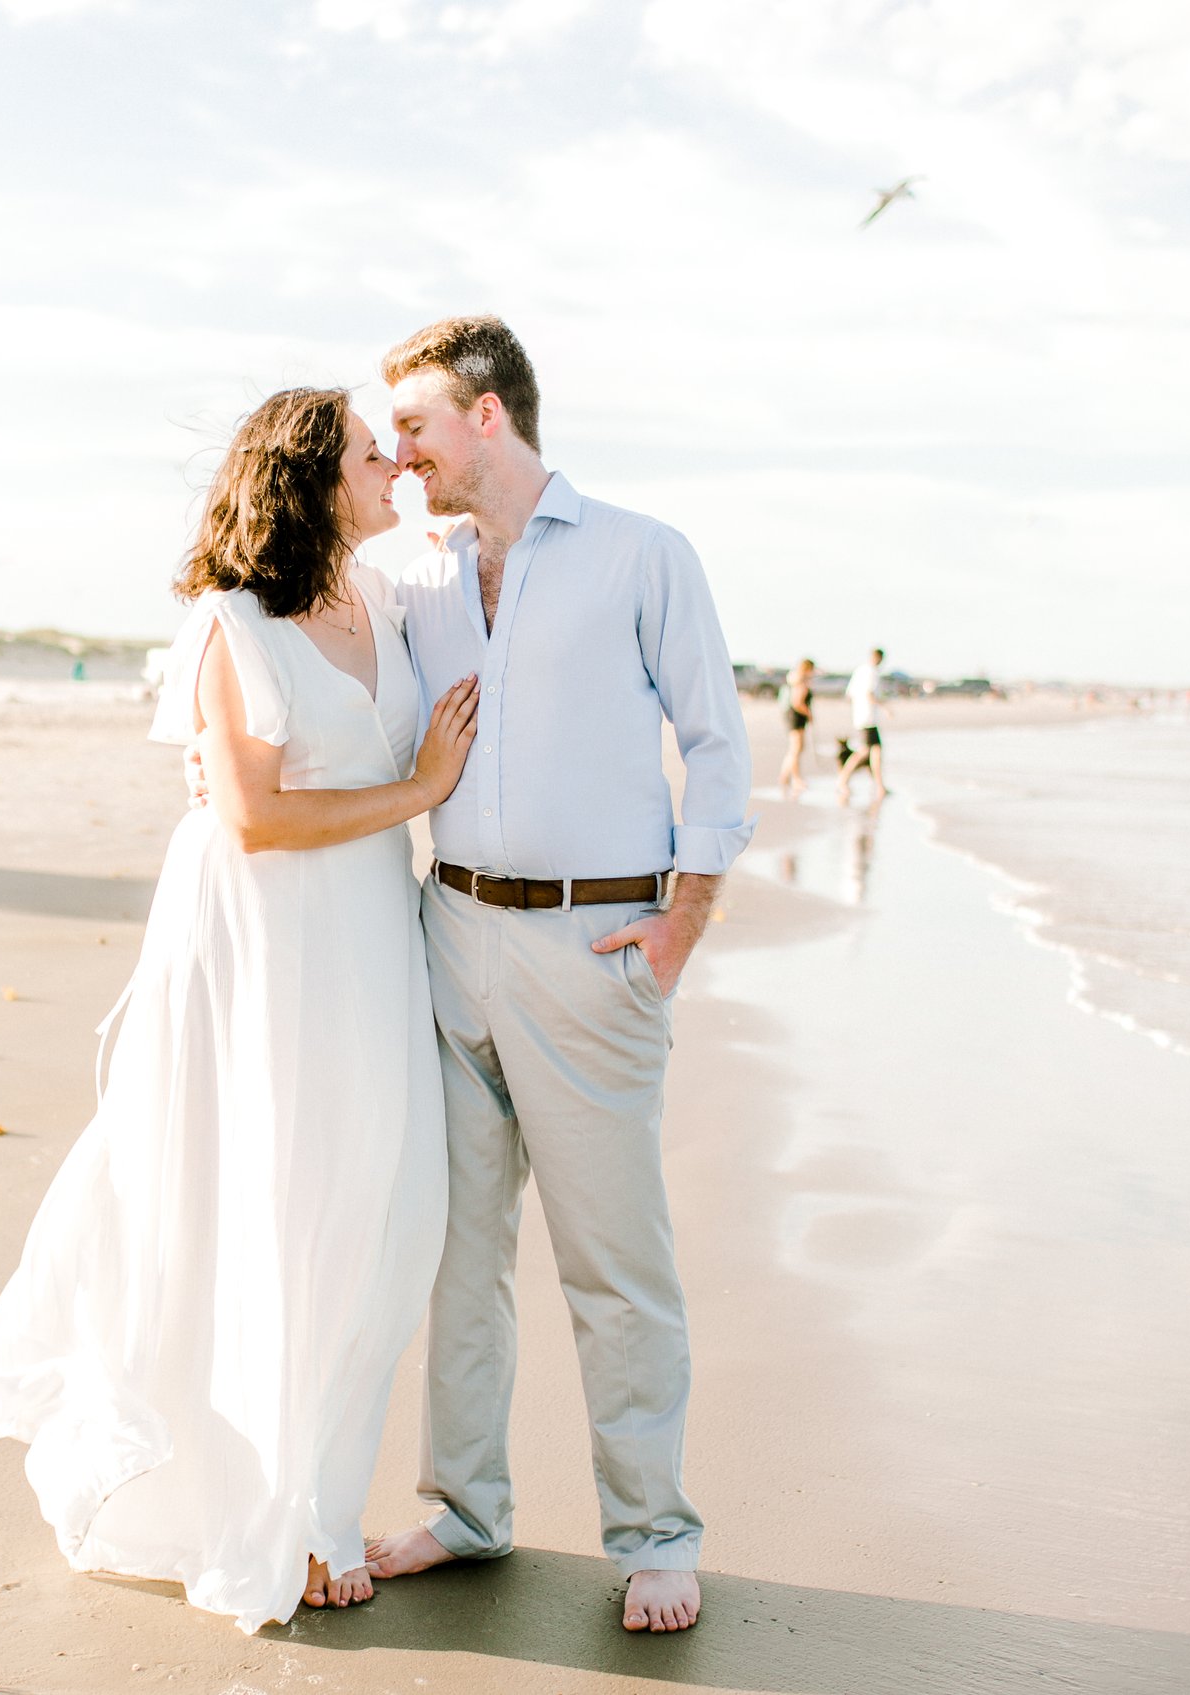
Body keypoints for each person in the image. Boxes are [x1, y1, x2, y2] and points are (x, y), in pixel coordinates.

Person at [0, 388, 482, 1633]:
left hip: (369, 935)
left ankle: (314, 1493)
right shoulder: (231, 626)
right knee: (268, 1205)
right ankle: (284, 1521)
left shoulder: (389, 599)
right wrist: (418, 789)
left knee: (382, 1212)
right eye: (372, 455)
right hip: (259, 944)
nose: (395, 473)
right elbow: (250, 820)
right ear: (312, 478)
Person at [357, 316, 754, 1636]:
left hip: (594, 948)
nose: (395, 450)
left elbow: (716, 743)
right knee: (459, 1250)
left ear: (487, 417)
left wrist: (680, 924)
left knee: (612, 1257)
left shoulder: (644, 553)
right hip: (447, 930)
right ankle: (468, 1508)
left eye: (411, 424)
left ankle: (654, 1529)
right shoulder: (412, 573)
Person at [836, 647, 888, 799]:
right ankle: (842, 780)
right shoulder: (872, 672)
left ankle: (879, 786)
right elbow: (869, 694)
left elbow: (849, 695)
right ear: (879, 658)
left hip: (861, 716)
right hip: (868, 718)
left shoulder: (859, 670)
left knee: (875, 751)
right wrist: (885, 708)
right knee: (866, 751)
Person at [777, 657, 817, 798]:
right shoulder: (801, 680)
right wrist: (809, 714)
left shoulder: (794, 678)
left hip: (792, 715)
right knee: (796, 748)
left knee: (796, 748)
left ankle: (785, 776)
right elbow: (797, 702)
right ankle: (796, 779)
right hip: (795, 716)